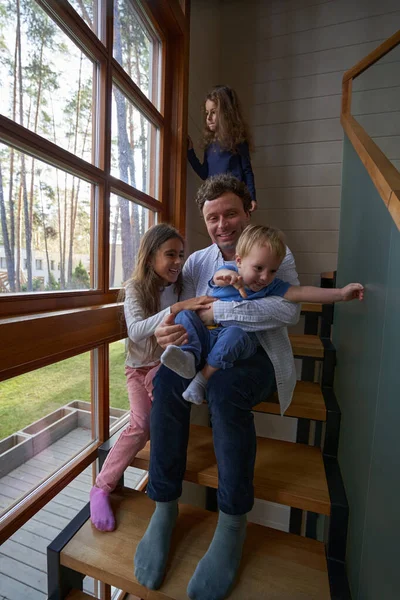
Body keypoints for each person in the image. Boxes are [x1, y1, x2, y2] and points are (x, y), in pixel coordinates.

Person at [133, 174, 300, 599]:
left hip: (259, 357)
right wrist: (172, 333)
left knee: (225, 393)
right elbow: (182, 311)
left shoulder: (276, 252)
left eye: (230, 214)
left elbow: (285, 312)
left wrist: (217, 316)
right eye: (212, 218)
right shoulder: (196, 264)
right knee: (169, 379)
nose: (222, 224)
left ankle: (231, 521)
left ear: (248, 211)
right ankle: (164, 506)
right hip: (206, 352)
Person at [89, 224, 213, 532]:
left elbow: (190, 314)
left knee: (164, 418)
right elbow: (136, 330)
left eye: (180, 255)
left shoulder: (181, 284)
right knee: (140, 424)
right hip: (138, 367)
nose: (177, 262)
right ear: (150, 257)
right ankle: (101, 487)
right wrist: (177, 307)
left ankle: (162, 495)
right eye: (170, 254)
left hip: (166, 365)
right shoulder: (135, 288)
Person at [161, 224, 364, 405]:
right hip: (205, 336)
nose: (265, 277)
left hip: (234, 342)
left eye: (273, 271)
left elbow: (302, 292)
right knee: (184, 314)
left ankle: (202, 379)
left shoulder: (271, 287)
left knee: (235, 334)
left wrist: (340, 294)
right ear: (239, 261)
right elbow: (218, 277)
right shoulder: (228, 270)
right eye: (258, 268)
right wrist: (229, 277)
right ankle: (188, 356)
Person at [188, 84, 257, 210]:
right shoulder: (209, 145)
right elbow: (205, 173)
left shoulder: (238, 140)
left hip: (234, 196)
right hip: (214, 198)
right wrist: (190, 153)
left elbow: (247, 171)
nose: (208, 118)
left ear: (226, 113)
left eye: (213, 112)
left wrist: (252, 197)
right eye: (207, 113)